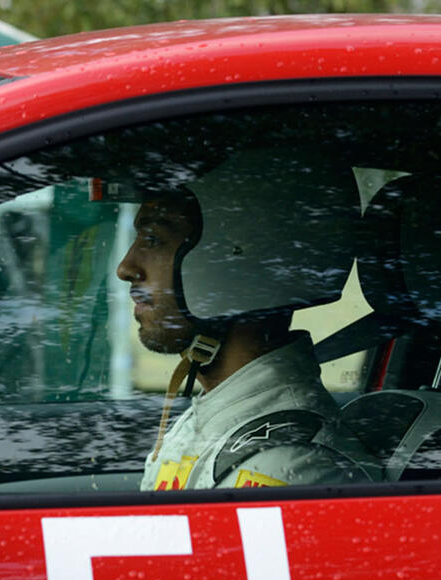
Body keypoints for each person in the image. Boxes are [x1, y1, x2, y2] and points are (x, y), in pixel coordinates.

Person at [109, 148, 379, 490]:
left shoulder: (285, 463)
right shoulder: (213, 420)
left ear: (237, 262)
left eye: (154, 240)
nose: (126, 267)